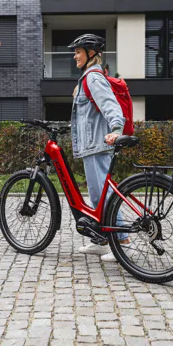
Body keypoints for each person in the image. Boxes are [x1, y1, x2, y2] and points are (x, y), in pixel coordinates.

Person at [68, 34, 132, 262]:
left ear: (91, 53)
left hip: (98, 145)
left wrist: (116, 128)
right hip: (92, 145)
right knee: (97, 196)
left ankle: (123, 243)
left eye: (78, 52)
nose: (75, 56)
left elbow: (110, 105)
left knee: (104, 198)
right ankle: (102, 241)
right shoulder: (88, 78)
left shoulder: (93, 78)